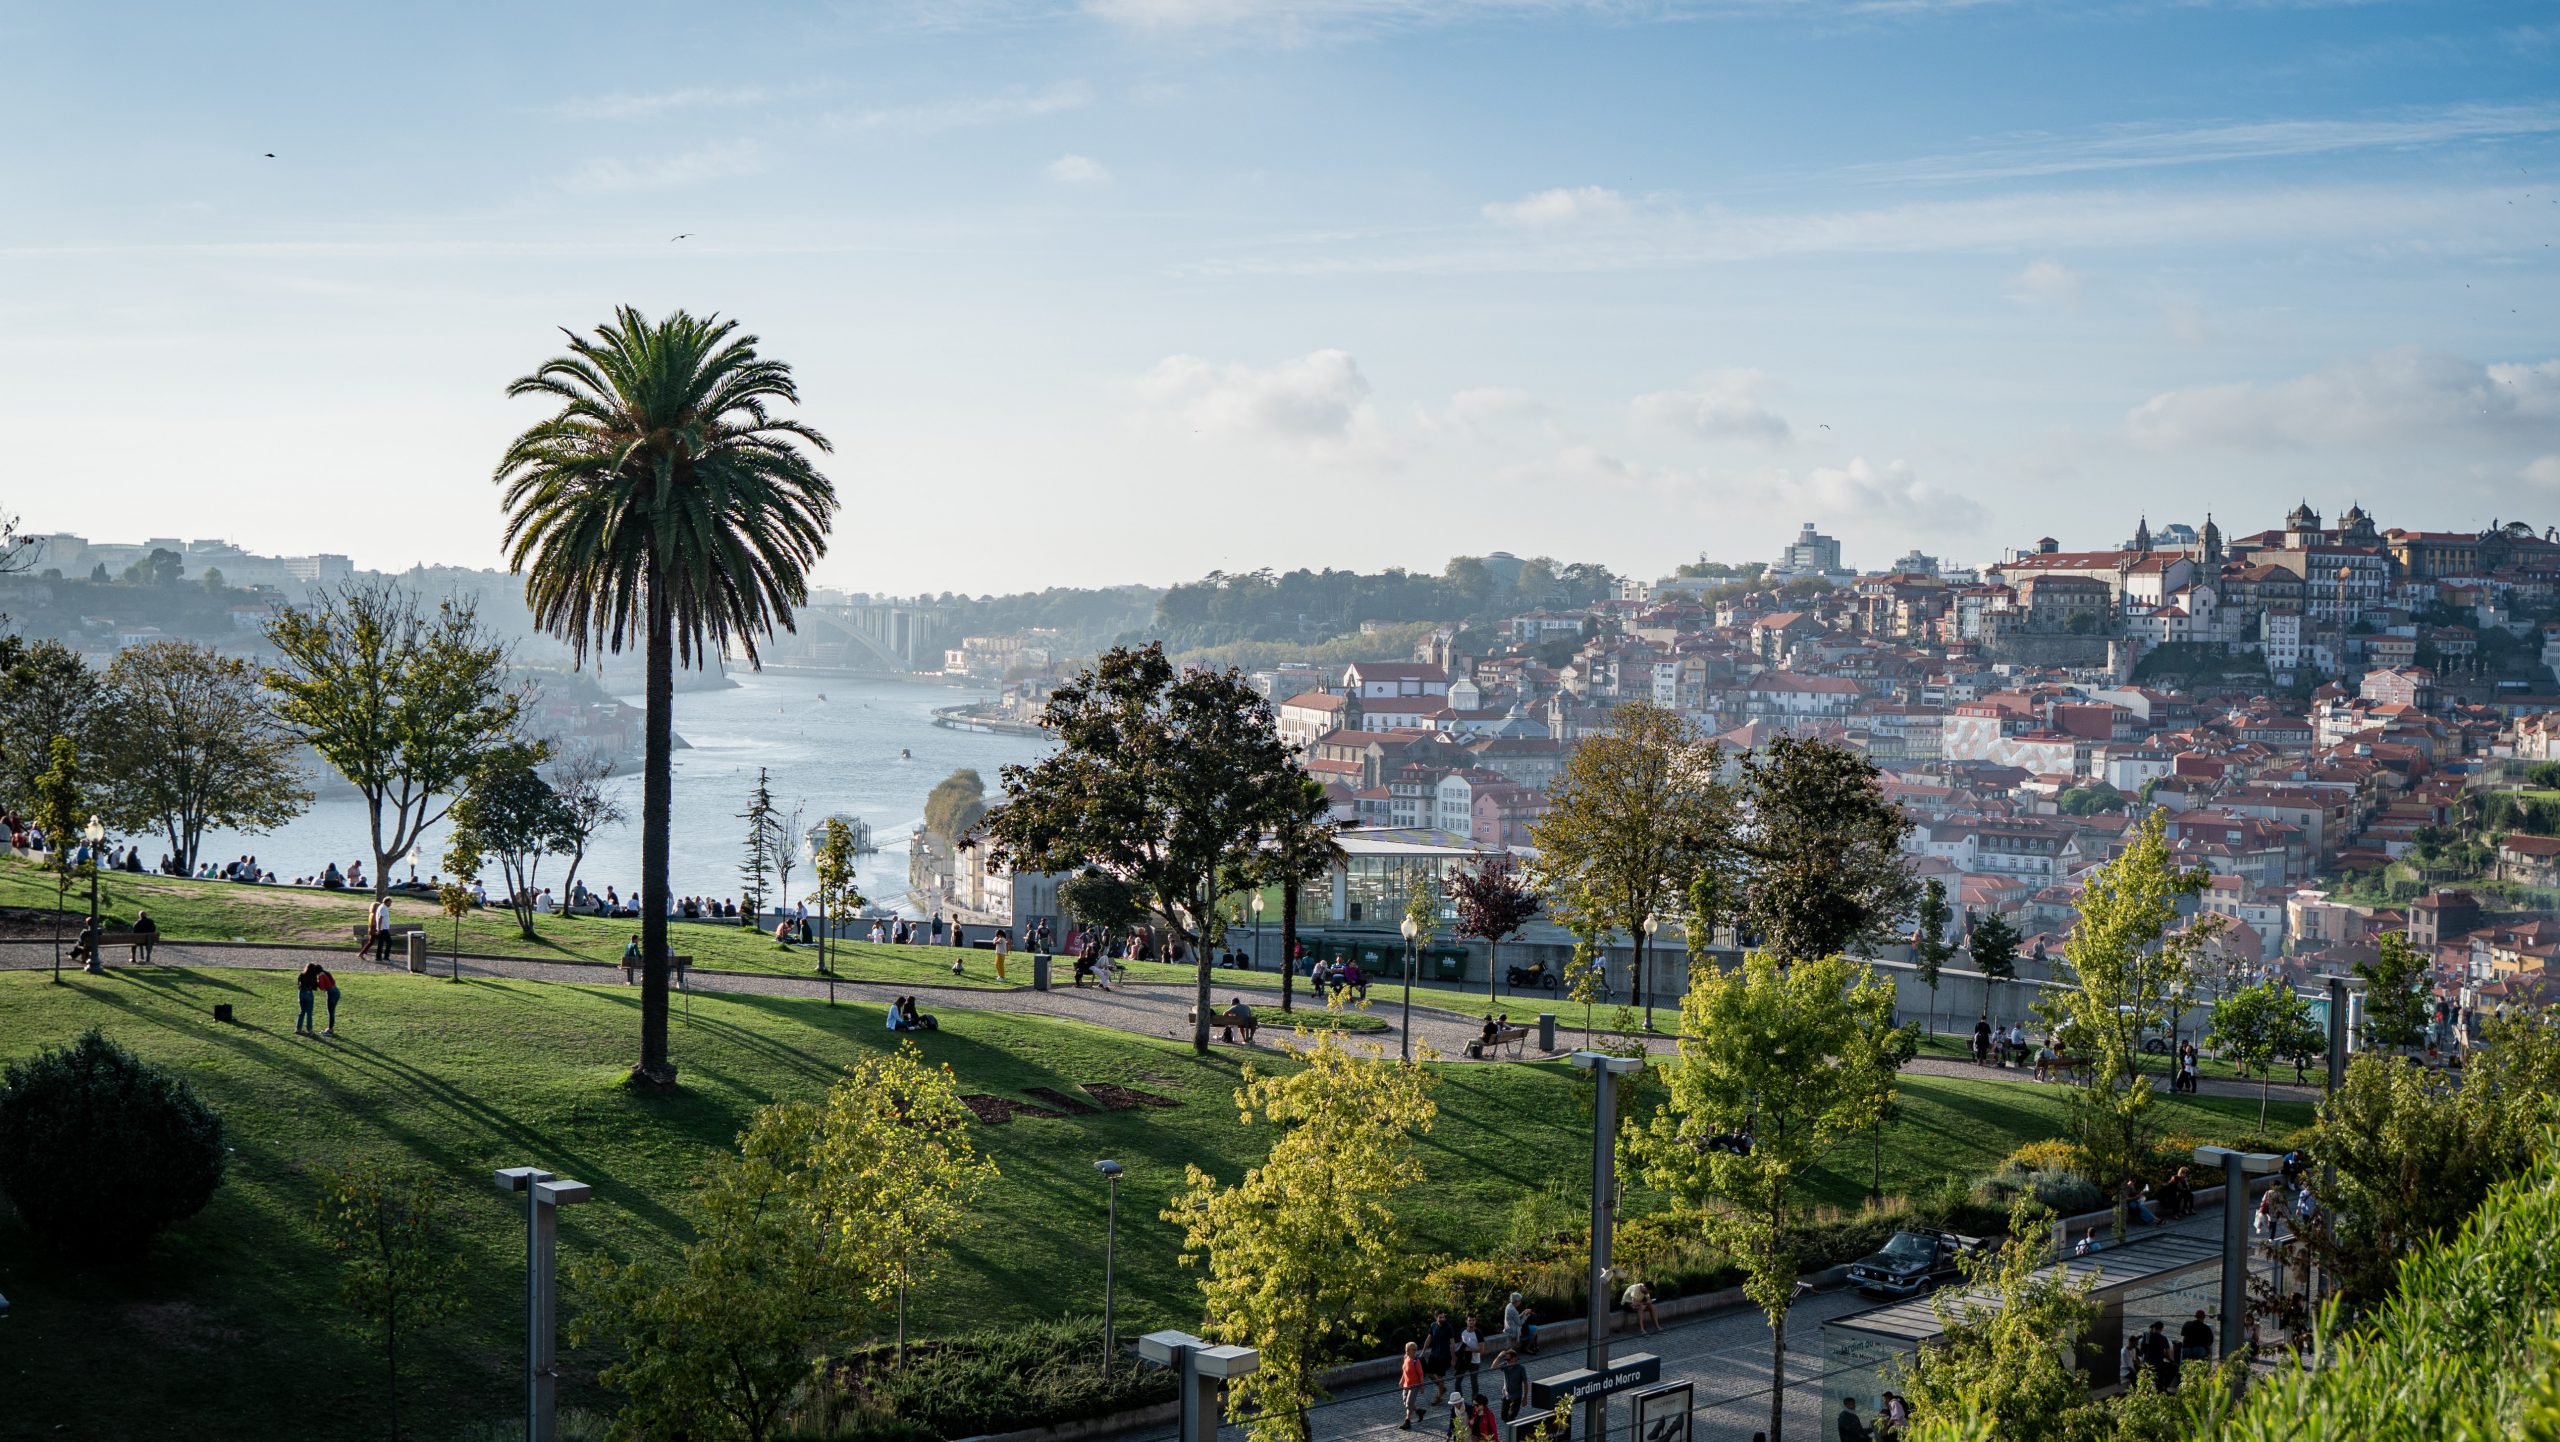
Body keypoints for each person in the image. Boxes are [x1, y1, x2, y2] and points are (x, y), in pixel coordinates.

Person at [1422, 1309, 1454, 1405]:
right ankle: (1442, 1388)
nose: (1443, 1319)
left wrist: (1453, 1357)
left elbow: (1452, 1343)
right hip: (1434, 1354)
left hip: (1444, 1356)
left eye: (1444, 1317)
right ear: (1436, 1318)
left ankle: (1438, 1397)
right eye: (1440, 1317)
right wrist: (1423, 1351)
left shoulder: (1448, 1327)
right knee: (1429, 1373)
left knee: (1440, 1376)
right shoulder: (1433, 1326)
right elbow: (1429, 1338)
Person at [1494, 1348, 1527, 1423]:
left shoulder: (1521, 1368)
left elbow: (1525, 1383)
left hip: (1516, 1396)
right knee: (1503, 1416)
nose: (1507, 1362)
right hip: (1506, 1395)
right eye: (1506, 1360)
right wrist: (1499, 1356)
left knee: (1511, 1416)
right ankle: (1511, 1428)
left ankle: (1513, 1431)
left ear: (1514, 1358)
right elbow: (1493, 1367)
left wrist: (1525, 1397)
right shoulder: (1505, 1365)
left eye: (1509, 1360)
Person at [1400, 1342, 1426, 1430]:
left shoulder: (1416, 1361)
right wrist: (1401, 1380)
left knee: (1408, 1403)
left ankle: (1407, 1421)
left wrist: (1422, 1386)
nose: (1407, 1350)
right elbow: (1404, 1371)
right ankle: (1419, 1411)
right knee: (1405, 1402)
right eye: (1407, 1348)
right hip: (1406, 1384)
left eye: (1409, 1349)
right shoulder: (1405, 1357)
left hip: (1415, 1385)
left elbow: (1421, 1375)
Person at [1455, 1315, 1484, 1398]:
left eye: (1473, 1320)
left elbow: (1481, 1350)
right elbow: (1460, 1345)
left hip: (1474, 1361)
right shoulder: (1462, 1331)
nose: (1471, 1322)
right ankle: (1459, 1401)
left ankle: (1475, 1403)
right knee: (1457, 1381)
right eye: (1470, 1320)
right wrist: (1455, 1358)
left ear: (1475, 1321)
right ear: (1466, 1321)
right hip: (1463, 1360)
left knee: (1474, 1383)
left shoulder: (1478, 1333)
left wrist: (1469, 1350)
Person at [296, 961, 321, 1036]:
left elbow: (298, 983)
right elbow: (315, 987)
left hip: (301, 994)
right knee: (309, 1013)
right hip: (309, 994)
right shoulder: (313, 976)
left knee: (301, 1012)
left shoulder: (302, 974)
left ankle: (298, 1029)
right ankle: (309, 1030)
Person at [317, 964, 340, 1036]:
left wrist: (317, 982)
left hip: (331, 994)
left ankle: (330, 1030)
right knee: (332, 1011)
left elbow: (321, 987)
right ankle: (330, 1028)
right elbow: (333, 982)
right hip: (336, 991)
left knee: (331, 1012)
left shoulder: (320, 976)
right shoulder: (326, 973)